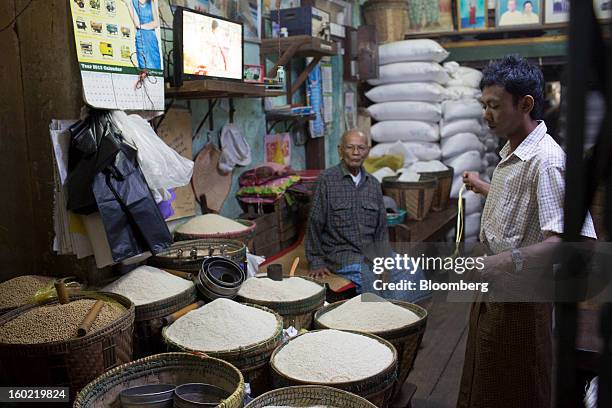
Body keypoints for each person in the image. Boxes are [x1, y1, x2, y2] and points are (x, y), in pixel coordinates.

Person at [458, 55, 597, 407]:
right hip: (497, 290)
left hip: (521, 301)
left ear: (525, 104)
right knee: (486, 377)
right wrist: (483, 186)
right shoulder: (516, 152)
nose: (486, 114)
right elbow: (523, 200)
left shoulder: (547, 161)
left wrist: (500, 262)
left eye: (494, 106)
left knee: (516, 386)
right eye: (484, 105)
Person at [123, 0, 162, 70]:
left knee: (156, 68)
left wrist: (142, 26)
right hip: (141, 38)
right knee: (144, 68)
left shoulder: (152, 1)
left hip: (152, 39)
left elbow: (156, 23)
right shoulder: (131, 2)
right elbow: (137, 24)